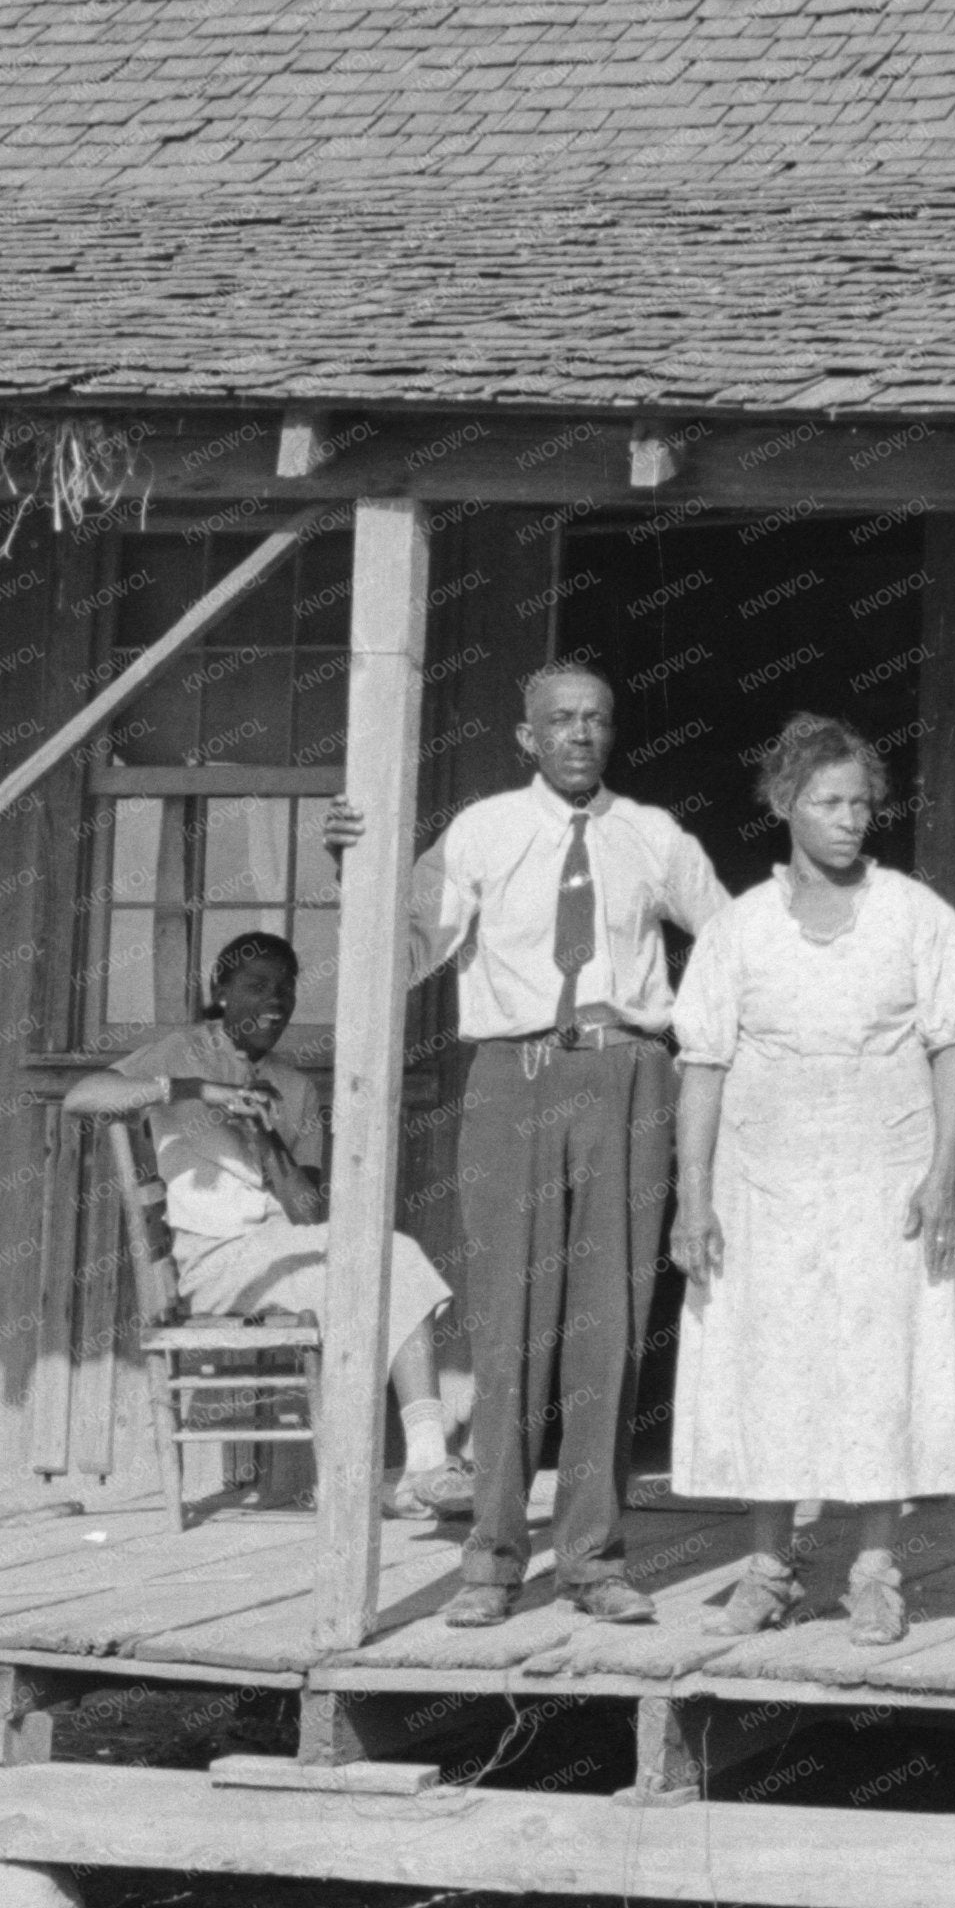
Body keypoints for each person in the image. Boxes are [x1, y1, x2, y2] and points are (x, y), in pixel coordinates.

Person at [325, 663, 731, 1629]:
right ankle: (494, 1558)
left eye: (595, 718)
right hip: (513, 1080)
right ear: (527, 736)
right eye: (560, 720)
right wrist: (358, 867)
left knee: (611, 1322)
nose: (579, 734)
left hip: (627, 1076)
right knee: (508, 1322)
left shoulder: (653, 835)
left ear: (612, 732)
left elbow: (730, 941)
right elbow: (409, 947)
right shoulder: (480, 832)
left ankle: (591, 1556)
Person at [667, 713, 955, 1647]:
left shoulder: (917, 916)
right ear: (783, 805)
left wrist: (943, 1171)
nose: (850, 820)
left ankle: (875, 1571)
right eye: (828, 802)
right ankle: (770, 1569)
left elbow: (954, 1047)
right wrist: (695, 1196)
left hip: (885, 1180)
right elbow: (704, 1065)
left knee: (878, 1364)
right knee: (766, 1364)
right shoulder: (738, 929)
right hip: (763, 1184)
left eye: (861, 803)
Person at [62, 931, 469, 1518]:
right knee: (389, 1261)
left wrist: (264, 1132)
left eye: (284, 989)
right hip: (214, 1262)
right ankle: (421, 1464)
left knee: (389, 1259)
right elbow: (82, 1096)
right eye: (255, 986)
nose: (273, 1001)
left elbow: (308, 1214)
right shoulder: (180, 1053)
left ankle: (419, 1469)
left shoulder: (295, 1085)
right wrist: (197, 1090)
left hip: (279, 1253)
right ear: (220, 991)